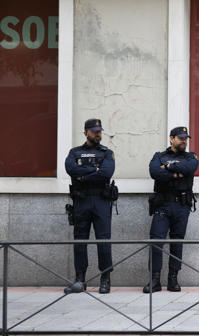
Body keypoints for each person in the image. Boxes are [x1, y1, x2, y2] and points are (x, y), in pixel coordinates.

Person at [144, 126, 199, 293]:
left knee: (177, 242)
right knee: (156, 241)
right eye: (181, 138)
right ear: (171, 139)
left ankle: (173, 279)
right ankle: (154, 280)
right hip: (162, 205)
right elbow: (155, 172)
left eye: (185, 138)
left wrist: (167, 167)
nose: (184, 141)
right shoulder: (159, 156)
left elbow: (189, 169)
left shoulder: (191, 157)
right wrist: (176, 172)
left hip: (181, 206)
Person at [65, 118, 116, 294]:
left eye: (99, 131)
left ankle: (105, 278)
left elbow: (106, 173)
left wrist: (83, 176)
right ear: (86, 132)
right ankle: (80, 279)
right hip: (81, 200)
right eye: (94, 131)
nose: (98, 134)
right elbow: (71, 169)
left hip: (101, 200)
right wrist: (94, 170)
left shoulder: (107, 153)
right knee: (80, 240)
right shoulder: (75, 152)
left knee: (104, 240)